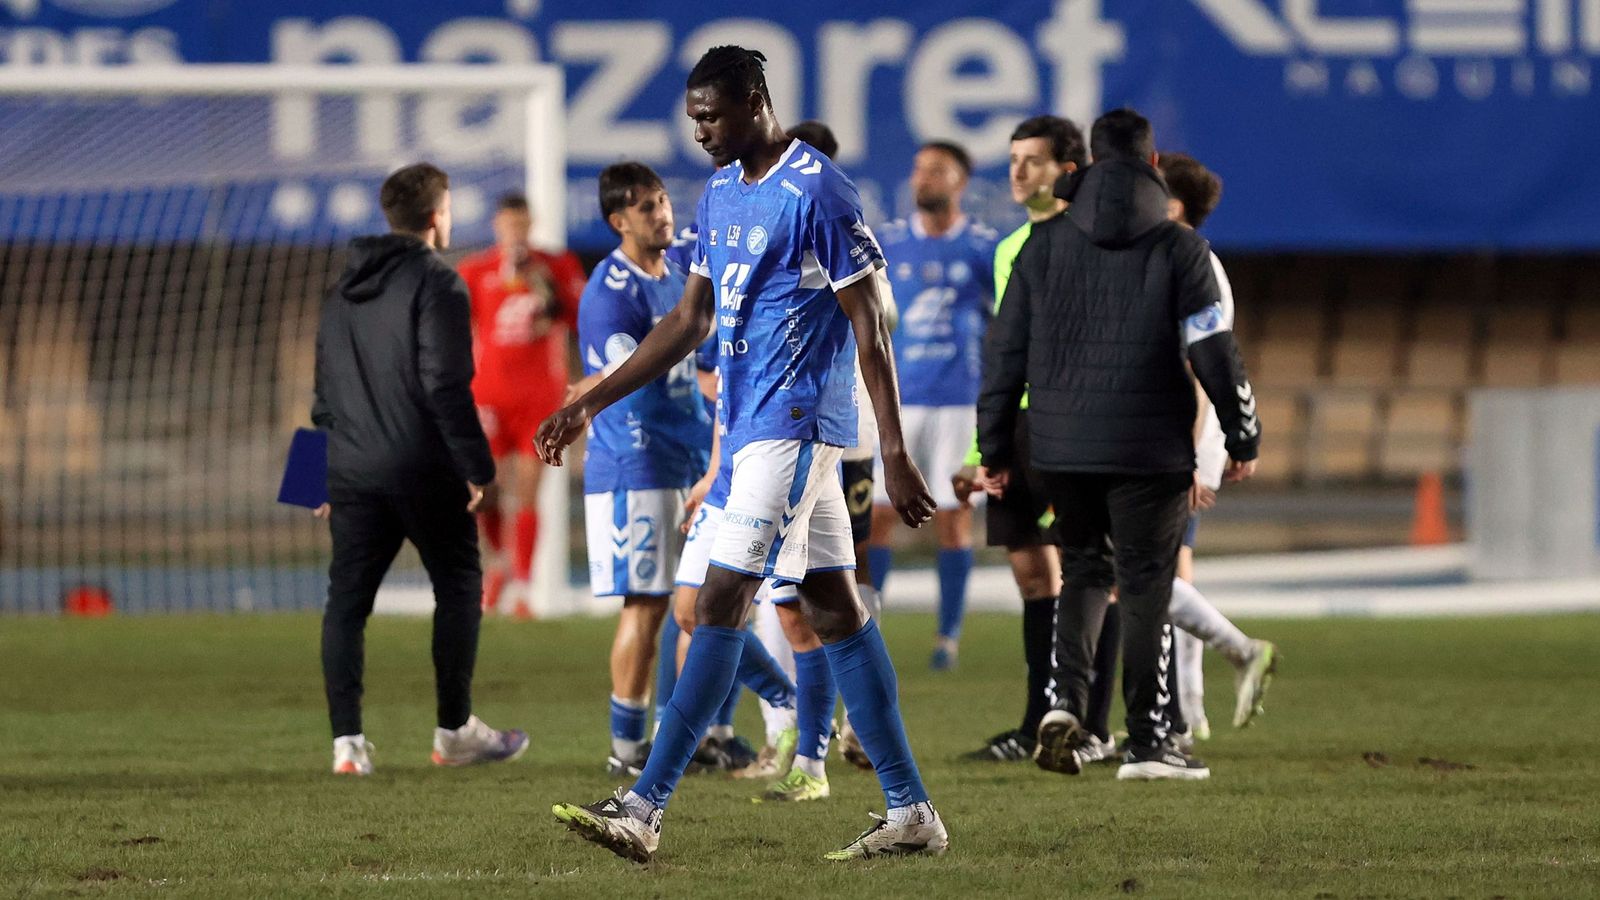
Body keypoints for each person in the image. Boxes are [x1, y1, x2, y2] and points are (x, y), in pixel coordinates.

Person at [541, 45, 947, 862]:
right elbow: (688, 322)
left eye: (712, 115)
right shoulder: (720, 192)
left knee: (716, 602)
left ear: (755, 100)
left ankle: (645, 805)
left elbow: (871, 327)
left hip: (795, 426)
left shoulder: (819, 190)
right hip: (755, 433)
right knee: (834, 608)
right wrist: (591, 394)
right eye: (692, 118)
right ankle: (910, 812)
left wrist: (895, 451)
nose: (700, 132)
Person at [978, 109, 1261, 782]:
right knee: (1144, 587)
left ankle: (1063, 706)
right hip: (1149, 450)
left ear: (1087, 167)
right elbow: (1214, 351)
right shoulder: (1179, 248)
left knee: (1082, 571)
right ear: (1153, 167)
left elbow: (1003, 356)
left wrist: (994, 449)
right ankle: (1150, 740)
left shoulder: (1040, 246)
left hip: (1058, 451)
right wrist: (1241, 432)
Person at [312, 162, 528, 777]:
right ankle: (455, 730)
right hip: (422, 468)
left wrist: (310, 478)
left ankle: (346, 747)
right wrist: (479, 469)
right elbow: (445, 383)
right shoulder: (440, 281)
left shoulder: (341, 288)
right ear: (438, 217)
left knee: (346, 603)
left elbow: (321, 391)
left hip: (351, 472)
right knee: (459, 584)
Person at [573, 162, 735, 777]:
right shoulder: (610, 292)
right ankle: (625, 750)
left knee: (695, 597)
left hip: (689, 452)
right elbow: (623, 377)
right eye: (645, 207)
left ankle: (682, 735)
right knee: (646, 604)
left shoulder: (680, 269)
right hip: (634, 460)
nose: (662, 213)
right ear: (619, 221)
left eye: (664, 200)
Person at [951, 115, 1085, 762]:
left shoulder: (1089, 242)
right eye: (1012, 160)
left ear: (1068, 168)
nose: (1018, 171)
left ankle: (1090, 717)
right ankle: (1038, 719)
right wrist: (986, 449)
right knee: (1033, 576)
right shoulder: (1009, 250)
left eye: (1032, 160)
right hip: (1020, 427)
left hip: (1072, 424)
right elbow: (1002, 355)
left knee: (1086, 572)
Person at [1157, 152, 1279, 737]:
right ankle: (1188, 707)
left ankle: (1234, 657)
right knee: (1168, 566)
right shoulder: (1197, 260)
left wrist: (1190, 452)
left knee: (1132, 572)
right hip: (1188, 436)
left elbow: (1197, 367)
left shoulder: (1185, 261)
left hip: (1178, 437)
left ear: (1173, 205)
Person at [868, 141, 998, 671]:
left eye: (937, 171)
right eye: (919, 168)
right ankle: (867, 628)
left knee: (954, 520)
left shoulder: (983, 249)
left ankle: (948, 639)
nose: (924, 178)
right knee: (877, 516)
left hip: (959, 402)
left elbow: (1008, 320)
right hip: (898, 400)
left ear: (960, 183)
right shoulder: (889, 245)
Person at [458, 192, 585, 618]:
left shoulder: (557, 265)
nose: (516, 232)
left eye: (522, 224)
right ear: (498, 226)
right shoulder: (475, 271)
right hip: (489, 396)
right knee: (486, 490)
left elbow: (575, 317)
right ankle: (498, 564)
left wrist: (542, 286)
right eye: (509, 224)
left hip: (539, 398)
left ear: (532, 225)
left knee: (529, 491)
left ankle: (525, 591)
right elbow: (459, 330)